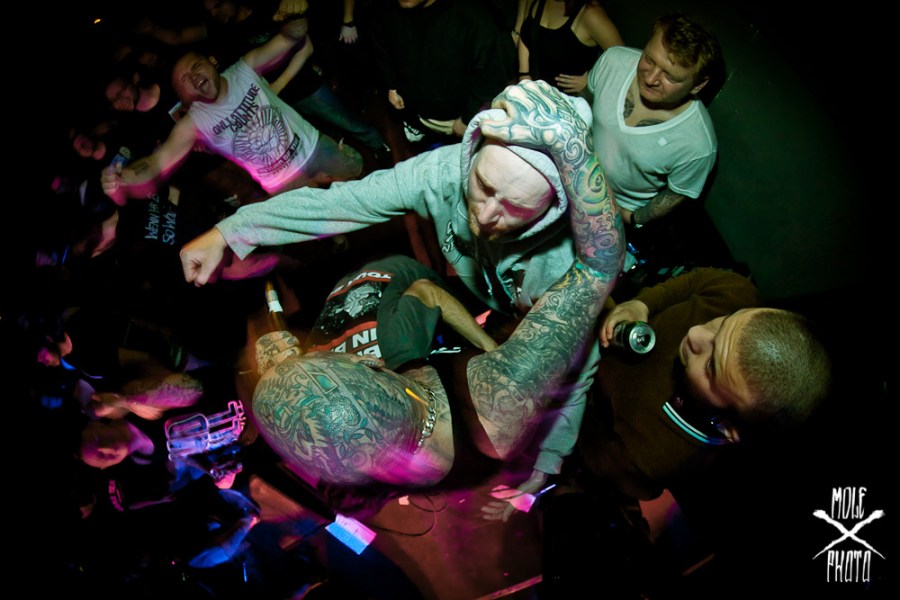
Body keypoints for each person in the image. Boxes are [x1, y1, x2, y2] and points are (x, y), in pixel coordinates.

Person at [179, 81, 598, 513]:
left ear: (555, 203)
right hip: (474, 295)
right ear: (472, 151)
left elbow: (576, 365)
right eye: (484, 186)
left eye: (517, 207)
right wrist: (232, 230)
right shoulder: (444, 170)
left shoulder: (559, 264)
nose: (487, 215)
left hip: (522, 319)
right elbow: (343, 202)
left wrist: (548, 461)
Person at [577, 267, 832, 501]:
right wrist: (641, 305)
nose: (695, 333)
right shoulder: (736, 293)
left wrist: (572, 399)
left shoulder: (659, 458)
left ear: (728, 426)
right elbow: (694, 283)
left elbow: (599, 458)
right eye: (724, 322)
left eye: (711, 366)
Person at [101, 17, 363, 206]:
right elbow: (157, 163)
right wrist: (124, 177)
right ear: (185, 96)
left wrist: (294, 13)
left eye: (196, 66)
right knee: (321, 217)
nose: (194, 77)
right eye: (185, 81)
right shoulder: (193, 122)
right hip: (281, 183)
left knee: (358, 177)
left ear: (210, 63)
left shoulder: (244, 68)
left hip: (313, 148)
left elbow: (291, 36)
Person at [584, 12, 720, 229]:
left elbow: (674, 195)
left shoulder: (698, 144)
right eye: (649, 59)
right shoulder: (614, 60)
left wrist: (633, 219)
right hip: (571, 169)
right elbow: (583, 105)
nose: (649, 78)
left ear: (697, 85)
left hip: (610, 209)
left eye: (670, 76)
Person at [304, 253, 498, 364]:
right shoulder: (312, 362)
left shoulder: (399, 347)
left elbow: (429, 291)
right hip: (343, 284)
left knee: (464, 310)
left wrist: (493, 352)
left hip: (403, 266)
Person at [369, 0, 513, 143]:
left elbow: (493, 78)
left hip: (453, 120)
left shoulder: (479, 18)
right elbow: (382, 49)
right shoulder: (383, 9)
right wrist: (391, 85)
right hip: (412, 107)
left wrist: (468, 119)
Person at [516, 0, 623, 96]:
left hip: (569, 102)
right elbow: (526, 35)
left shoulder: (591, 14)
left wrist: (592, 81)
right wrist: (524, 75)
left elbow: (624, 60)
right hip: (533, 93)